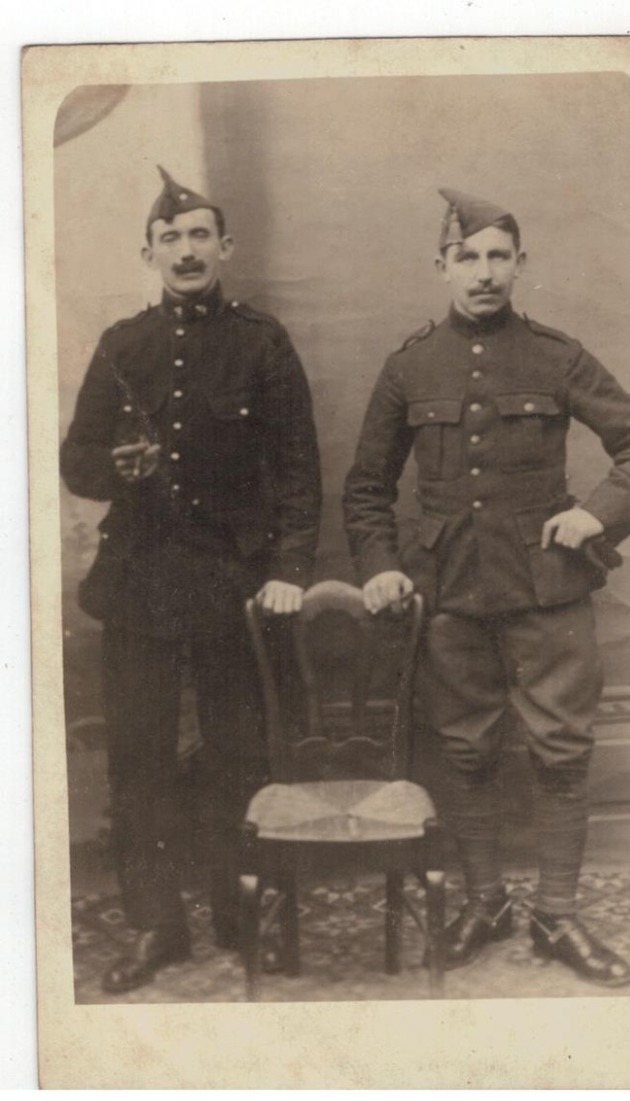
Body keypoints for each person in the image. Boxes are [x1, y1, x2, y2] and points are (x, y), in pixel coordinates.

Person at [343, 188, 630, 987]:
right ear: (441, 266)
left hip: (549, 589)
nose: (483, 273)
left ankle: (557, 913)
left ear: (520, 264)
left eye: (498, 257)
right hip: (448, 595)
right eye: (467, 257)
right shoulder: (410, 366)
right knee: (466, 751)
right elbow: (367, 486)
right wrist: (380, 562)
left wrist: (597, 516)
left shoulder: (556, 355)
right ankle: (486, 902)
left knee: (561, 752)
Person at [61, 168, 322, 994]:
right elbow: (76, 462)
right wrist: (115, 465)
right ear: (149, 253)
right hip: (140, 580)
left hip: (231, 584)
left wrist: (286, 572)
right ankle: (155, 926)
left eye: (199, 234)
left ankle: (239, 912)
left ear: (225, 249)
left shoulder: (262, 343)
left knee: (237, 754)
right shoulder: (121, 345)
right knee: (138, 757)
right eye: (169, 238)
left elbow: (298, 473)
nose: (185, 249)